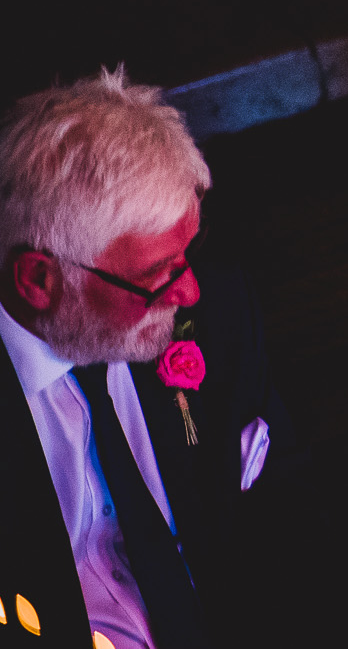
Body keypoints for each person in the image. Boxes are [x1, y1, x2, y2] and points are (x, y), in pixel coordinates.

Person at [3, 70, 294, 649]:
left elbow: (286, 517)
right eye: (156, 277)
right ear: (39, 279)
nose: (189, 294)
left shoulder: (220, 314)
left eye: (189, 253)